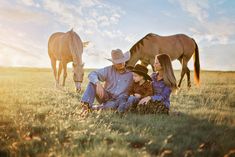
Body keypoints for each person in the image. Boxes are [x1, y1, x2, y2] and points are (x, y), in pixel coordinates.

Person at [79, 49, 133, 116]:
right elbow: (92, 74)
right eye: (118, 62)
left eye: (122, 61)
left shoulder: (131, 75)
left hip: (119, 100)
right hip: (105, 96)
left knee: (111, 106)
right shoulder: (108, 70)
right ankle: (85, 107)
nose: (121, 63)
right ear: (113, 62)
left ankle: (96, 108)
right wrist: (98, 83)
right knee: (92, 84)